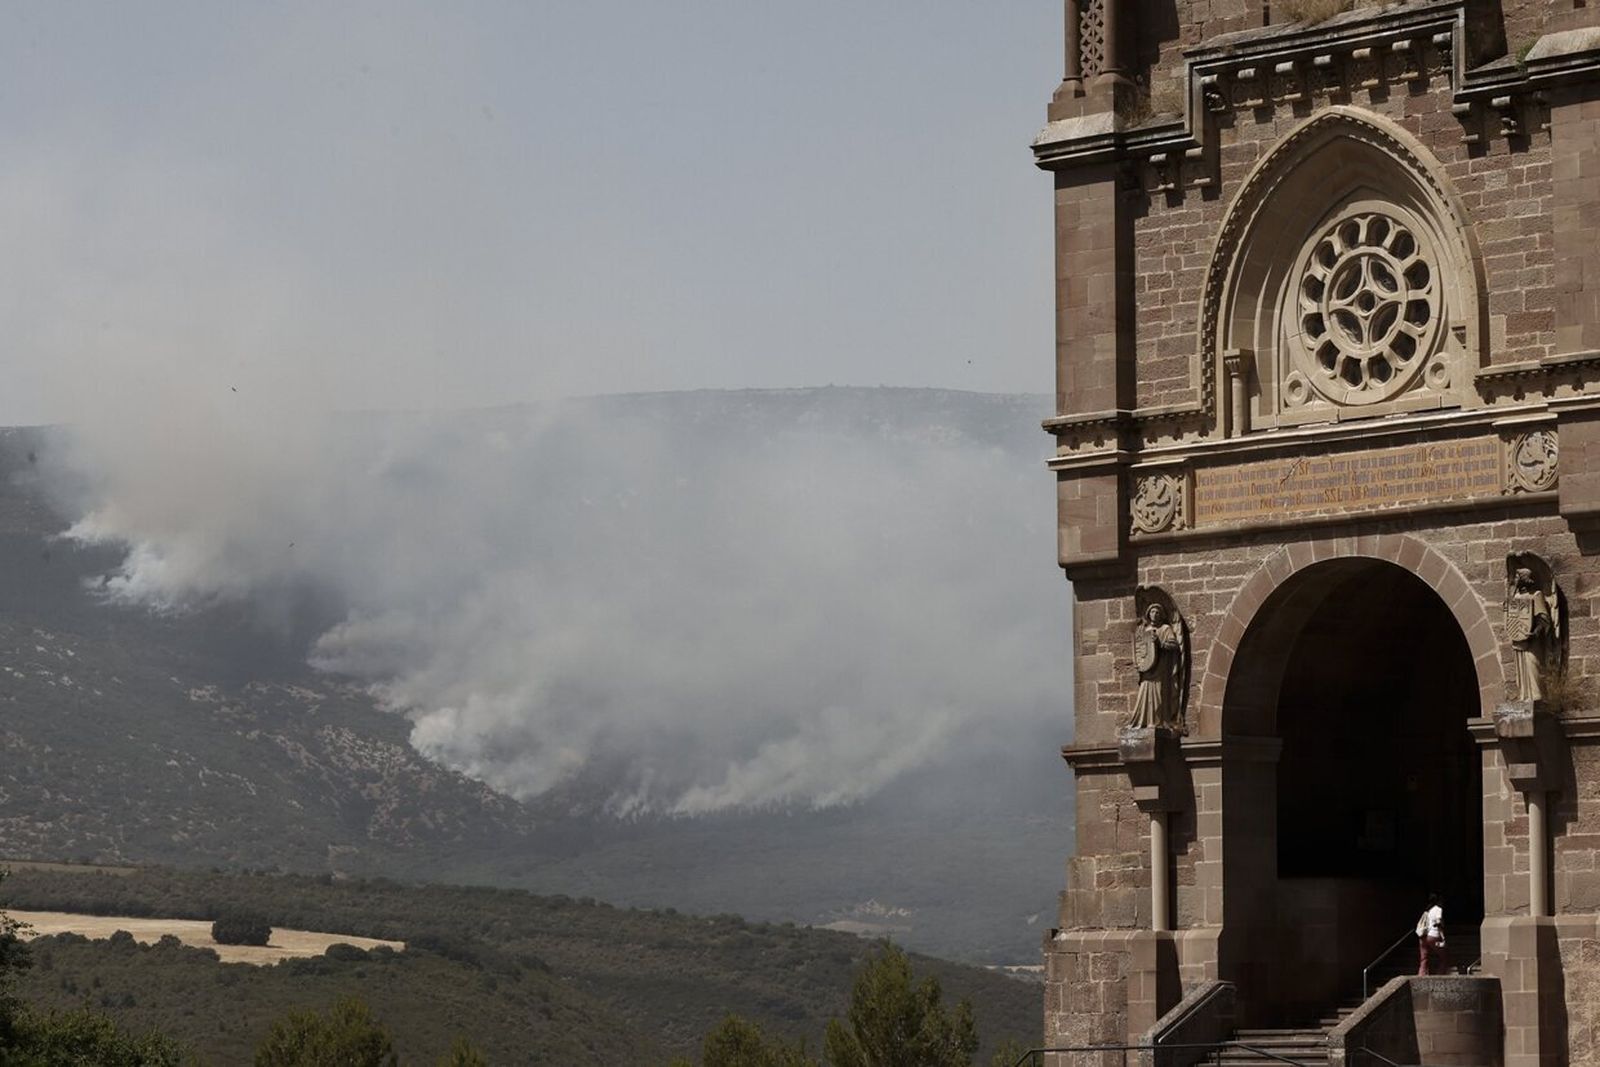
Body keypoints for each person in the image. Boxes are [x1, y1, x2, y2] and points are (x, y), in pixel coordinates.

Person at [1416, 893, 1446, 975]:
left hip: (1423, 936)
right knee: (1443, 957)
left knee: (1424, 958)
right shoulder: (1438, 909)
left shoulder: (1427, 910)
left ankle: (1421, 975)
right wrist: (1443, 937)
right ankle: (1440, 974)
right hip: (1433, 935)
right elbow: (1438, 922)